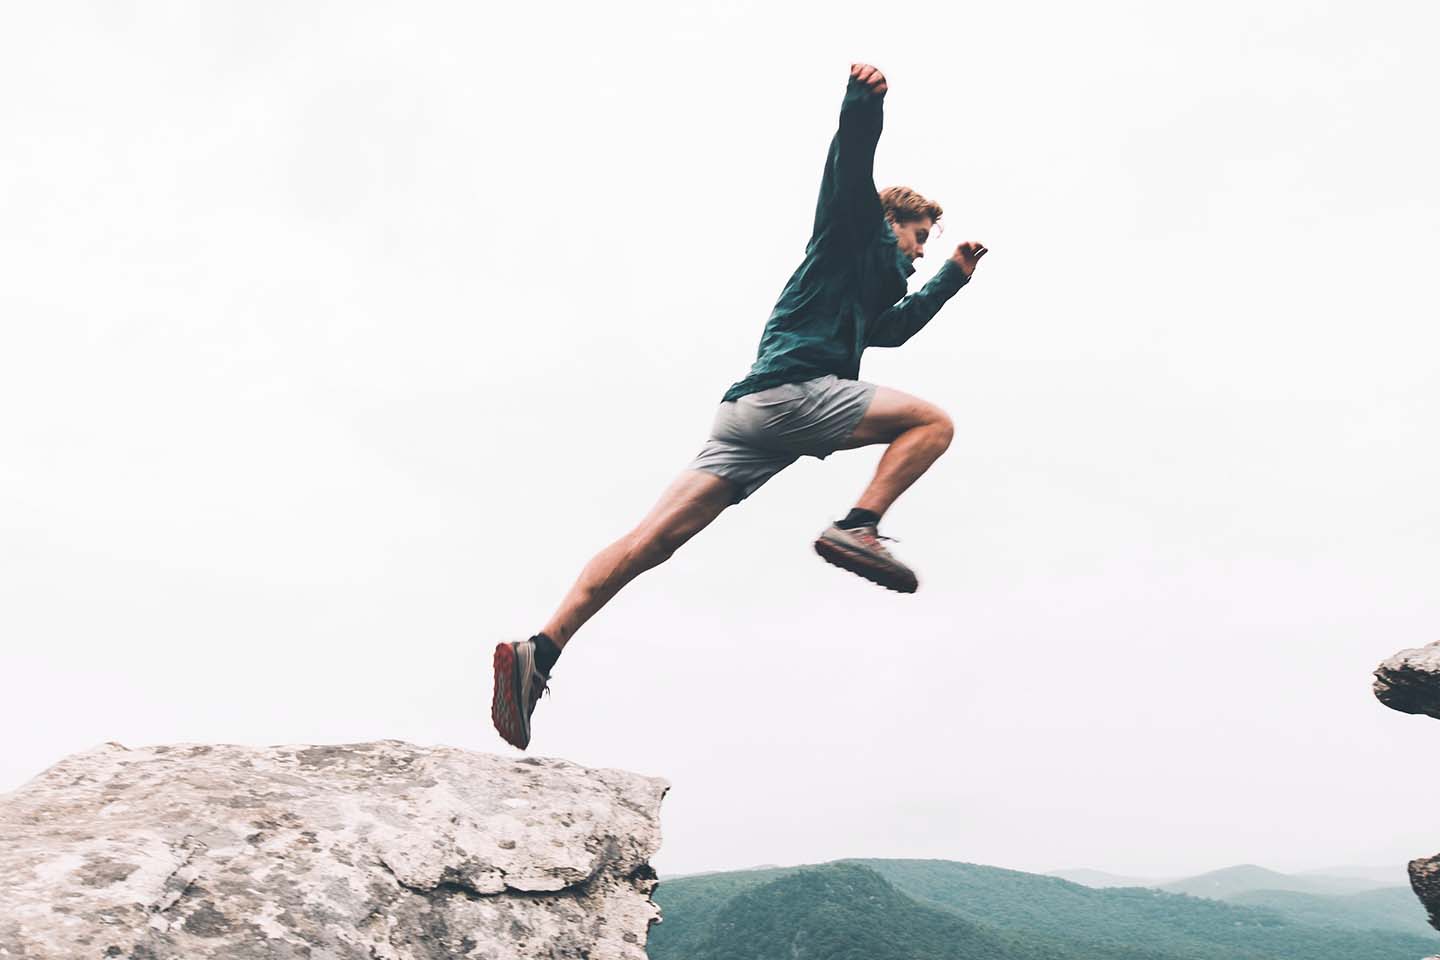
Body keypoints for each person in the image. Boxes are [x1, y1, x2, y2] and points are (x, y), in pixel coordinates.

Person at [492, 63, 988, 750]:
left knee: (650, 542)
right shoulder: (853, 234)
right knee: (933, 424)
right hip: (794, 394)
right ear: (891, 223)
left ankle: (538, 650)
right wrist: (862, 105)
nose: (919, 252)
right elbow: (849, 171)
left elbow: (894, 328)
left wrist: (951, 279)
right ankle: (858, 524)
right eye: (919, 238)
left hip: (750, 414)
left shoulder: (865, 292)